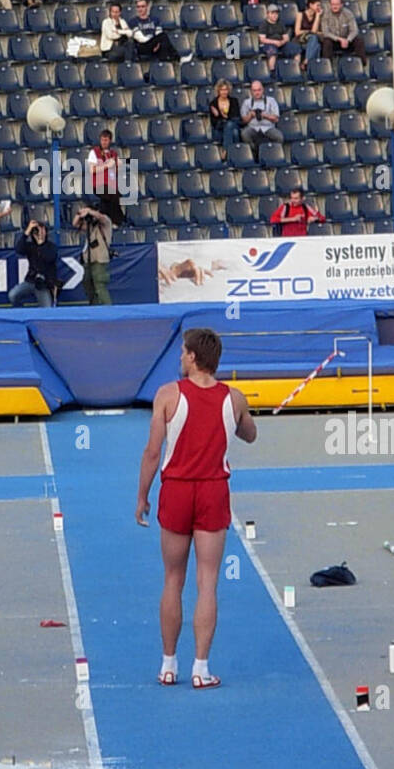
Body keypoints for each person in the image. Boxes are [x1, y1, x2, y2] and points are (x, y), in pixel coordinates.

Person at [135, 327, 257, 689]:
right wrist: (243, 414)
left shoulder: (168, 395)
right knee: (208, 583)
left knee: (173, 578)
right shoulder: (233, 398)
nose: (179, 357)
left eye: (182, 352)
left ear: (191, 357)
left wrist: (143, 495)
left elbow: (153, 452)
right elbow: (250, 434)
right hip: (212, 492)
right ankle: (200, 668)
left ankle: (168, 665)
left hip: (176, 491)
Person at [8, 220, 59, 307]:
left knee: (47, 309)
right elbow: (18, 249)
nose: (40, 233)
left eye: (42, 230)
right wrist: (27, 232)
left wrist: (41, 244)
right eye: (37, 231)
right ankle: (22, 313)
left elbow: (50, 258)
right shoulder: (30, 246)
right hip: (31, 281)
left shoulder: (51, 246)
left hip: (44, 284)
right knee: (12, 295)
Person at [74, 205, 113, 306]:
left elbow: (101, 217)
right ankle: (94, 306)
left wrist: (89, 211)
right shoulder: (89, 226)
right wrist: (80, 214)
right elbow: (75, 224)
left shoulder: (105, 223)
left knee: (99, 284)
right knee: (87, 283)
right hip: (88, 260)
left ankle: (108, 308)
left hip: (100, 260)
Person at [86, 129, 124, 225]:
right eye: (102, 140)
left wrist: (117, 166)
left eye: (106, 140)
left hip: (111, 184)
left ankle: (102, 214)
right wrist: (106, 165)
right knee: (115, 195)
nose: (103, 142)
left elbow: (116, 171)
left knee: (109, 200)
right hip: (99, 184)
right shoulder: (94, 152)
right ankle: (118, 220)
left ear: (110, 141)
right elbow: (92, 170)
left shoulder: (113, 154)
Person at [320, 0, 367, 64]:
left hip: (347, 40)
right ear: (330, 5)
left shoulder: (348, 13)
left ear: (341, 4)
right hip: (334, 41)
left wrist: (348, 40)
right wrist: (339, 39)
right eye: (332, 4)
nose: (334, 6)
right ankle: (327, 65)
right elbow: (325, 32)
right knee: (326, 42)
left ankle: (361, 65)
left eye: (337, 4)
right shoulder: (326, 15)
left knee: (359, 40)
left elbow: (354, 30)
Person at [240, 79, 283, 157]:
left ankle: (273, 155)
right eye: (254, 90)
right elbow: (244, 120)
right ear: (251, 91)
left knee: (279, 137)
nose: (257, 92)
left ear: (263, 90)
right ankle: (255, 152)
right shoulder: (247, 102)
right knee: (244, 134)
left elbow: (276, 119)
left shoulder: (271, 100)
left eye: (259, 90)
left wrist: (265, 115)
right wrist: (250, 115)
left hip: (268, 127)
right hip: (253, 127)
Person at [208, 79, 240, 155]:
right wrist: (220, 116)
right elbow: (214, 123)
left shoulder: (234, 101)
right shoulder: (213, 104)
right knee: (234, 133)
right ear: (218, 91)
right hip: (219, 130)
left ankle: (225, 151)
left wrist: (222, 115)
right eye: (222, 90)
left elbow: (236, 118)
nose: (224, 92)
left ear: (229, 90)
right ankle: (235, 155)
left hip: (232, 126)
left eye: (226, 89)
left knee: (230, 125)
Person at [295, 0, 322, 69]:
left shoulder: (318, 16)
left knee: (317, 46)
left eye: (320, 5)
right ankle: (308, 63)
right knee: (314, 39)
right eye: (317, 5)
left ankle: (308, 63)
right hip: (301, 40)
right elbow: (297, 32)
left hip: (310, 42)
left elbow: (315, 31)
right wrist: (308, 31)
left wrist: (317, 16)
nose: (319, 7)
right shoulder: (300, 15)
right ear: (310, 5)